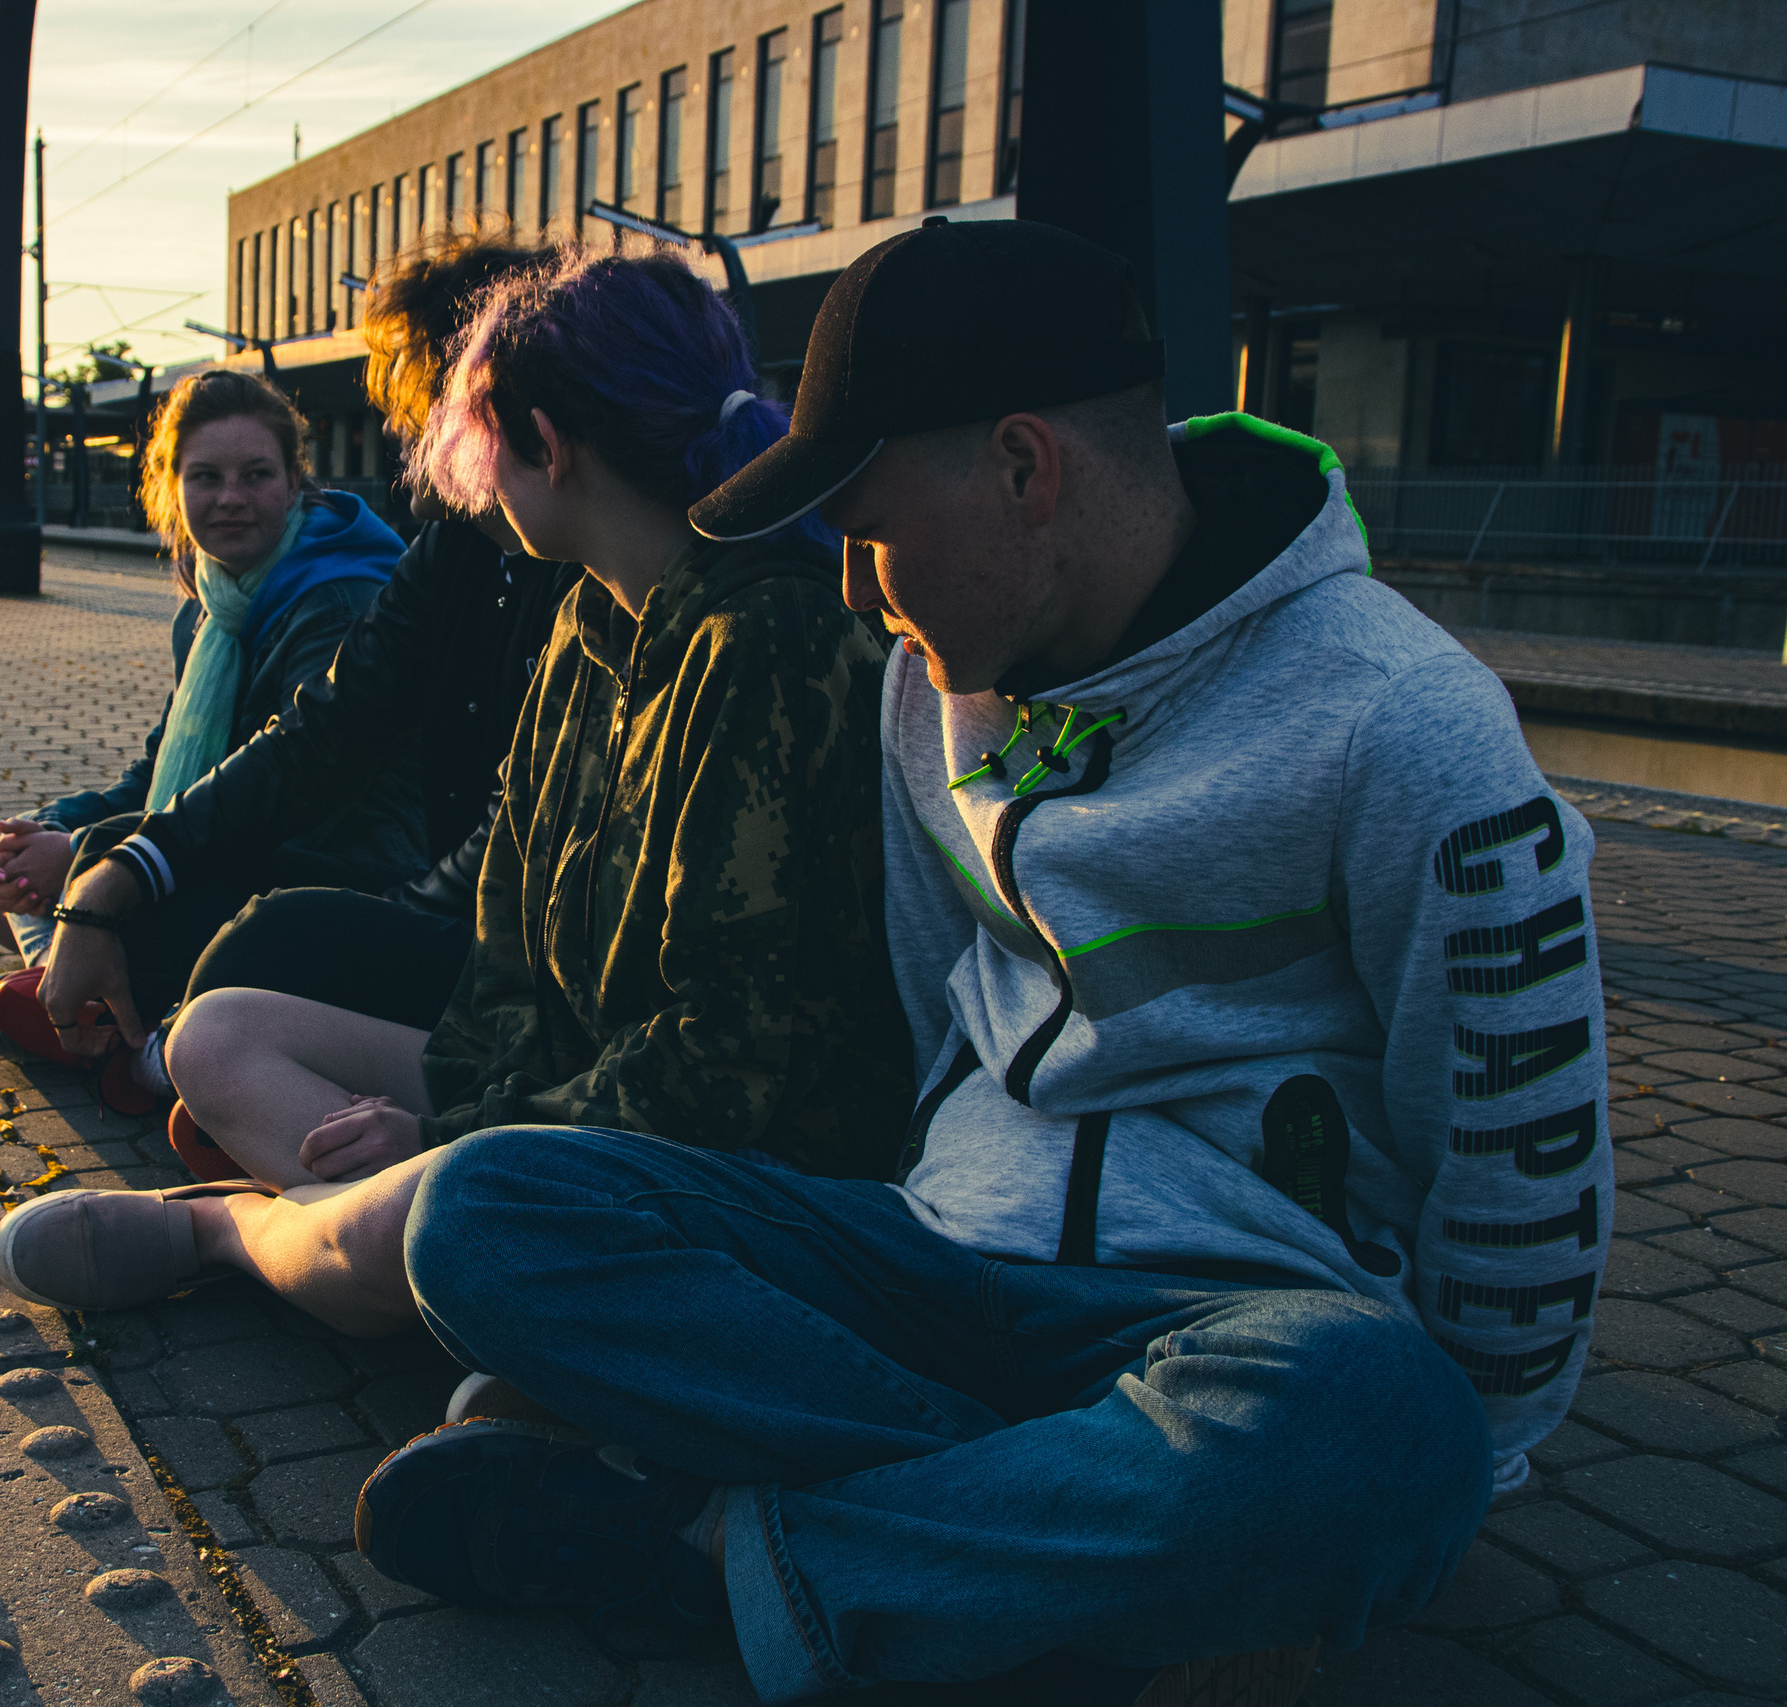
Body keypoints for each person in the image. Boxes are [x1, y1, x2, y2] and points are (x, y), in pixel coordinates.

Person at [351, 220, 1614, 1706]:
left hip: (1239, 1322)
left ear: (1026, 468)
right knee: (486, 1203)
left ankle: (714, 1547)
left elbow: (1519, 1158)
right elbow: (929, 1000)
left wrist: (1471, 1450)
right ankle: (1056, 1535)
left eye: (871, 528)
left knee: (1391, 1429)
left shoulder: (1406, 725)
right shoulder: (924, 687)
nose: (859, 588)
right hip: (937, 1266)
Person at [0, 245, 915, 1335]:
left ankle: (235, 1232)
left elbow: (725, 1065)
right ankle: (412, 1266)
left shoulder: (765, 640)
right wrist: (453, 1109)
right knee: (217, 1034)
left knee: (446, 1216)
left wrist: (444, 1141)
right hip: (559, 1092)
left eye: (474, 435)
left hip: (729, 1154)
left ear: (547, 446)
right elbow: (507, 949)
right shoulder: (590, 618)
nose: (463, 476)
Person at [0, 233, 578, 1143]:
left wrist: (110, 870)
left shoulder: (549, 581)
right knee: (114, 874)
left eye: (426, 409)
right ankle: (172, 1046)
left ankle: (152, 1054)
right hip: (462, 920)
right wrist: (102, 871)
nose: (417, 448)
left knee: (248, 937)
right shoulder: (452, 548)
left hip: (485, 933)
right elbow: (304, 736)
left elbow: (345, 776)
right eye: (205, 477)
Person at [0, 368, 417, 1080]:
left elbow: (287, 793)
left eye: (256, 474)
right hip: (229, 845)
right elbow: (157, 771)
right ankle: (98, 1005)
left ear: (296, 481)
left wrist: (84, 857)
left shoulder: (338, 603)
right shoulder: (214, 605)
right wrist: (48, 830)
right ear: (171, 486)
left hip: (332, 866)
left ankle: (120, 1030)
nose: (230, 498)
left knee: (64, 922)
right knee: (17, 896)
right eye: (205, 477)